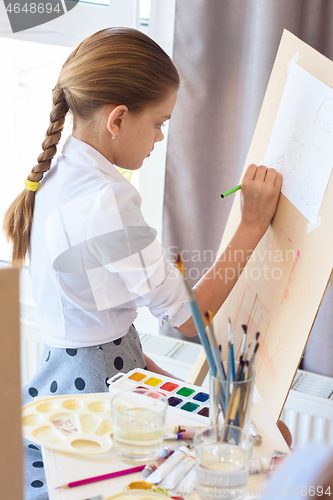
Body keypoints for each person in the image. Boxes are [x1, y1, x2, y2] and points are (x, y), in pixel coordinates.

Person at [3, 27, 282, 499]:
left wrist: (150, 372)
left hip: (79, 372)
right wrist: (251, 226)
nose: (159, 137)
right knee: (251, 459)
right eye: (158, 122)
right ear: (117, 119)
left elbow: (106, 316)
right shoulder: (107, 199)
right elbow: (190, 319)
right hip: (96, 387)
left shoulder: (57, 171)